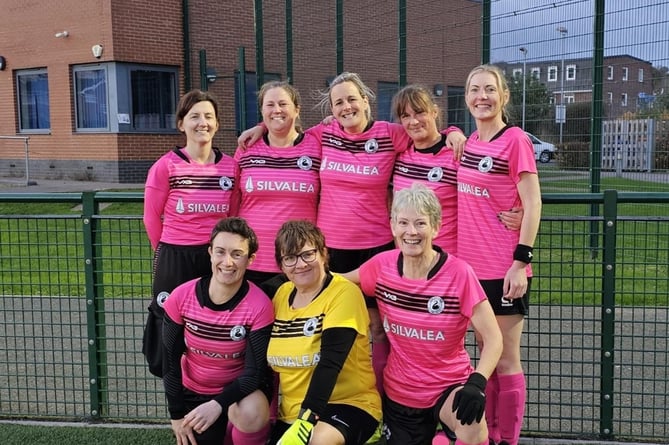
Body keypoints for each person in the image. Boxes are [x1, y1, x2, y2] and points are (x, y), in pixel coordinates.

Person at [239, 72, 466, 394]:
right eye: (339, 102)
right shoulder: (324, 134)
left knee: (377, 327)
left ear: (365, 101)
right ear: (331, 110)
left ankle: (384, 400)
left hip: (376, 250)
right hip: (330, 251)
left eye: (352, 99)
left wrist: (454, 132)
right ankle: (319, 396)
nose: (347, 107)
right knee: (321, 327)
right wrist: (261, 126)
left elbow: (426, 130)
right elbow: (285, 126)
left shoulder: (390, 135)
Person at [345, 183, 502, 445]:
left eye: (420, 223)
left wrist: (477, 383)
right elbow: (338, 283)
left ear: (436, 227)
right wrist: (292, 279)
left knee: (472, 424)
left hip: (449, 386)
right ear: (393, 226)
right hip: (401, 393)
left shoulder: (459, 274)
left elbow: (494, 338)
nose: (411, 232)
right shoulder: (381, 267)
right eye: (403, 223)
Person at [456, 64, 542, 445]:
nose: (482, 97)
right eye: (475, 90)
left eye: (489, 89)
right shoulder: (470, 142)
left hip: (504, 268)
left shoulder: (515, 140)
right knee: (484, 360)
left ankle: (508, 439)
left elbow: (533, 202)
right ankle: (487, 435)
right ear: (467, 98)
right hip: (470, 270)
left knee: (505, 358)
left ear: (503, 96)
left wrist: (520, 263)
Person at [142, 89, 240, 378]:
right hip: (175, 254)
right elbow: (150, 216)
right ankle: (173, 387)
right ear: (181, 123)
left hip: (214, 257)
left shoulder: (230, 167)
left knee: (211, 320)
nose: (202, 123)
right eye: (194, 116)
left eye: (209, 116)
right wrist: (163, 251)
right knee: (170, 320)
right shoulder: (166, 165)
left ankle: (209, 382)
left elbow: (231, 217)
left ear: (217, 124)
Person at [266, 220, 382, 445]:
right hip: (292, 412)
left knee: (318, 441)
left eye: (308, 254)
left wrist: (306, 420)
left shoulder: (344, 293)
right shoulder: (280, 295)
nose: (300, 264)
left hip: (348, 404)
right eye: (290, 258)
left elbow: (331, 362)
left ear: (324, 254)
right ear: (281, 264)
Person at [162, 217, 274, 445]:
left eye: (237, 254)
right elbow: (169, 363)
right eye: (220, 252)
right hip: (194, 392)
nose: (227, 262)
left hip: (240, 393)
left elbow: (254, 373)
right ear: (210, 252)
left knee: (251, 413)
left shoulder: (260, 305)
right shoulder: (180, 297)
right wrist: (176, 415)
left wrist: (218, 404)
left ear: (250, 259)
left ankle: (241, 431)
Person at [391, 84, 523, 254]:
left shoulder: (458, 153)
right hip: (407, 260)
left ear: (435, 112)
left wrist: (521, 213)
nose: (414, 121)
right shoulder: (400, 155)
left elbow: (491, 190)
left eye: (420, 112)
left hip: (447, 259)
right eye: (406, 116)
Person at [234, 81, 321, 296]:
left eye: (283, 103)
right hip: (253, 259)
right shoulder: (247, 148)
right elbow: (233, 199)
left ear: (297, 109)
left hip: (300, 261)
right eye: (269, 105)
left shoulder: (316, 145)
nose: (276, 110)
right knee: (256, 327)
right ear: (262, 110)